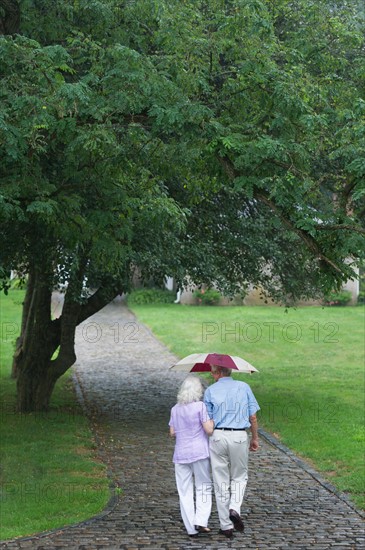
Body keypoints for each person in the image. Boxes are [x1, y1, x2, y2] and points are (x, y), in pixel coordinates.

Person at [204, 365, 260, 539]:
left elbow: (208, 420)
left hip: (218, 436)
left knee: (220, 480)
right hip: (238, 436)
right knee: (239, 476)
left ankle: (226, 526)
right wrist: (255, 438)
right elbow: (253, 416)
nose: (212, 375)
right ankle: (235, 507)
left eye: (213, 372)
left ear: (219, 373)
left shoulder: (210, 390)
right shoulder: (244, 387)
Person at [169, 375, 214, 538]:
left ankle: (190, 528)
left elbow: (172, 432)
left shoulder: (175, 409)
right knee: (203, 486)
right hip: (199, 452)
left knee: (184, 491)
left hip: (180, 454)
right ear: (198, 391)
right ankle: (201, 520)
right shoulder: (200, 406)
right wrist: (213, 421)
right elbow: (208, 430)